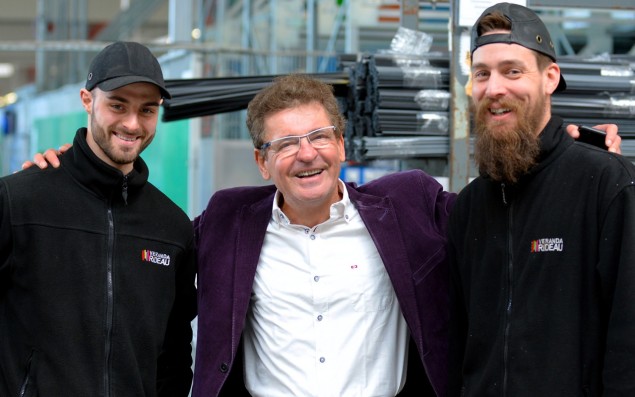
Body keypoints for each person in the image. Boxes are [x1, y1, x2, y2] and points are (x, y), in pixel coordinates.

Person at [25, 78, 622, 396]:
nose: (306, 155)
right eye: (285, 144)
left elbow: (500, 209)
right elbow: (139, 239)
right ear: (262, 162)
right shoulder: (226, 221)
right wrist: (66, 179)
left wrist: (567, 162)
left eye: (318, 137)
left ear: (341, 144)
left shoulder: (411, 204)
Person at [447, 3, 635, 396]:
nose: (494, 88)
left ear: (550, 78)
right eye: (482, 74)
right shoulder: (468, 207)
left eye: (512, 71)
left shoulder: (605, 184)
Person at [0, 41, 197, 396]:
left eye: (147, 110)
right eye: (118, 105)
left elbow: (175, 351)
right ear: (87, 100)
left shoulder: (172, 228)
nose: (133, 124)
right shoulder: (19, 202)